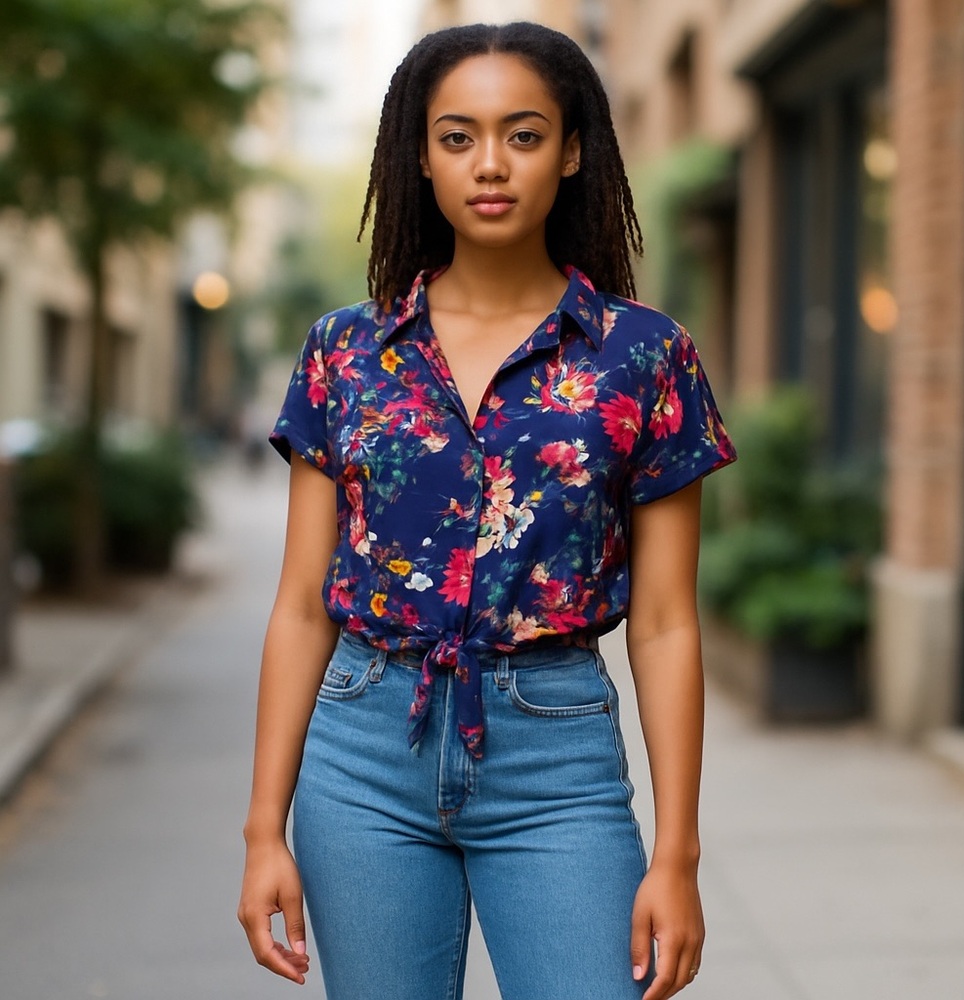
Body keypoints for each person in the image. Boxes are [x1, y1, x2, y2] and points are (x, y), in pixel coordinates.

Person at [237, 21, 736, 1000]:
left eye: (524, 133)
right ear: (419, 157)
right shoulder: (347, 354)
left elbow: (669, 622)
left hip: (555, 755)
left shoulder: (642, 356)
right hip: (361, 756)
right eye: (457, 136)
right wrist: (263, 829)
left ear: (573, 148)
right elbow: (302, 604)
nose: (490, 164)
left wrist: (675, 855)